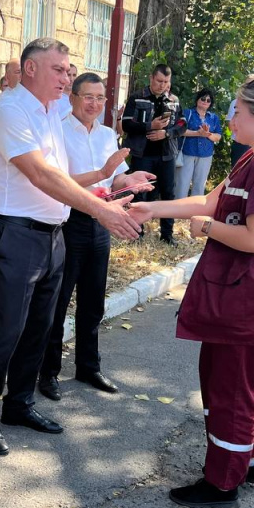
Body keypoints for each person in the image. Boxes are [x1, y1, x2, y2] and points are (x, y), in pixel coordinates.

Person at [128, 76, 254, 508]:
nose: (230, 119)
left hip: (253, 304)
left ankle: (223, 483)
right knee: (223, 383)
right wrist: (150, 208)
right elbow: (210, 201)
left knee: (230, 391)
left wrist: (208, 229)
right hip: (240, 298)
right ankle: (249, 461)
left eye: (237, 111)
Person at [0, 38, 142, 457]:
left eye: (68, 70)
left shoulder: (52, 111)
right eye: (59, 70)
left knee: (40, 326)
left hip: (53, 233)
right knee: (6, 327)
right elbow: (41, 175)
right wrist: (100, 211)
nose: (67, 78)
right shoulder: (9, 110)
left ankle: (19, 404)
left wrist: (107, 190)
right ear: (30, 69)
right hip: (16, 233)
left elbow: (63, 176)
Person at [38, 72, 154, 400]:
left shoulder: (106, 135)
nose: (94, 104)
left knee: (93, 302)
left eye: (100, 98)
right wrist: (101, 174)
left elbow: (115, 180)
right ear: (72, 97)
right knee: (58, 302)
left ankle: (88, 367)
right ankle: (48, 372)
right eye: (88, 97)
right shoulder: (58, 131)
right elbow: (59, 182)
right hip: (70, 220)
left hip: (102, 221)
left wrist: (130, 180)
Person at [120, 64, 186, 244]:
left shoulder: (173, 100)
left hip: (166, 155)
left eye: (166, 82)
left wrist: (166, 133)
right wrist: (150, 126)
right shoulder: (137, 97)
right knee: (139, 193)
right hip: (142, 154)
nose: (162, 85)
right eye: (159, 81)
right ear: (151, 78)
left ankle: (167, 235)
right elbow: (126, 124)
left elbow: (182, 125)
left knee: (168, 194)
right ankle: (136, 233)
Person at [175, 88, 222, 198]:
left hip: (206, 155)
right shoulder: (187, 113)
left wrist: (208, 134)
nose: (205, 101)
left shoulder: (214, 117)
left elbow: (218, 136)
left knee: (199, 185)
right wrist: (198, 133)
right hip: (187, 152)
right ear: (197, 99)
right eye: (203, 98)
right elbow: (180, 131)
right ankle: (178, 206)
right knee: (182, 184)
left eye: (208, 100)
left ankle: (195, 207)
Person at [228, 74, 254, 167]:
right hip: (241, 145)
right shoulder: (235, 103)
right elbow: (231, 126)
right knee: (237, 173)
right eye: (248, 84)